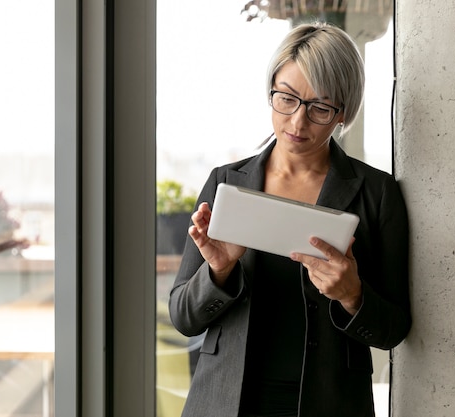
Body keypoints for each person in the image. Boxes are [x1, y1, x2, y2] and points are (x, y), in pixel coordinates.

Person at [169, 22, 411, 417]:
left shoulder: (376, 193)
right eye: (287, 98)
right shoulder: (226, 182)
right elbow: (184, 317)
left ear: (343, 112)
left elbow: (394, 329)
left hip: (330, 403)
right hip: (226, 402)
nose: (298, 123)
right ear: (271, 92)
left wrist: (353, 295)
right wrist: (218, 271)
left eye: (319, 108)